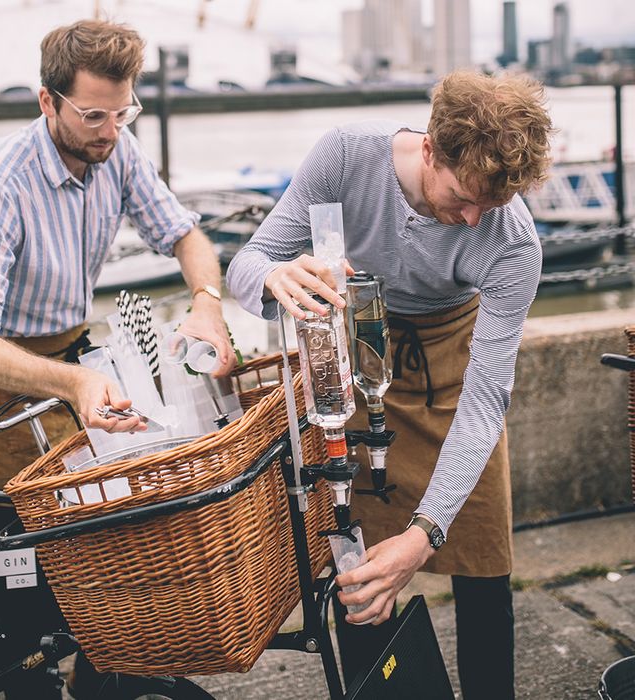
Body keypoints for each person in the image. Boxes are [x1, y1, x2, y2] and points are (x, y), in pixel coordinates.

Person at [227, 70, 553, 698]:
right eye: (462, 195)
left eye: (491, 205)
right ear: (430, 148)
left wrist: (426, 533)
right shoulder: (345, 156)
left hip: (458, 370)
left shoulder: (512, 242)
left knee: (485, 570)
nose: (470, 219)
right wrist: (275, 281)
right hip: (359, 365)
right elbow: (245, 262)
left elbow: (487, 402)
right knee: (359, 569)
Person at [0, 19, 235, 492]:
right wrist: (74, 383)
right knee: (4, 538)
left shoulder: (117, 149)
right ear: (48, 101)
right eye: (93, 115)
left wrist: (208, 304)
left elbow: (184, 234)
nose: (109, 133)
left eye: (122, 115)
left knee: (82, 534)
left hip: (75, 365)